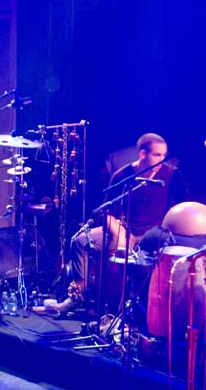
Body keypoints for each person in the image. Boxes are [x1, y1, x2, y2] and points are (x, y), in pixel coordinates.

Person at [41, 133, 186, 313]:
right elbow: (108, 212)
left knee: (125, 254)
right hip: (124, 229)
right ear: (142, 154)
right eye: (157, 155)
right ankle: (77, 296)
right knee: (81, 242)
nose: (161, 160)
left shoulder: (171, 175)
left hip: (153, 233)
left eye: (164, 155)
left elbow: (180, 209)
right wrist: (119, 233)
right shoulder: (123, 176)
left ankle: (115, 310)